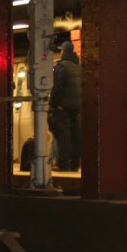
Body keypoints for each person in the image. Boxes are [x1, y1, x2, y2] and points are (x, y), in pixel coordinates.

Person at [48, 41, 82, 172]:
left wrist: (53, 104)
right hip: (76, 106)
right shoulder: (79, 66)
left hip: (63, 106)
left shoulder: (61, 67)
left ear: (64, 52)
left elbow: (57, 88)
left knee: (64, 136)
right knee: (75, 135)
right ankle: (74, 164)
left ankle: (63, 164)